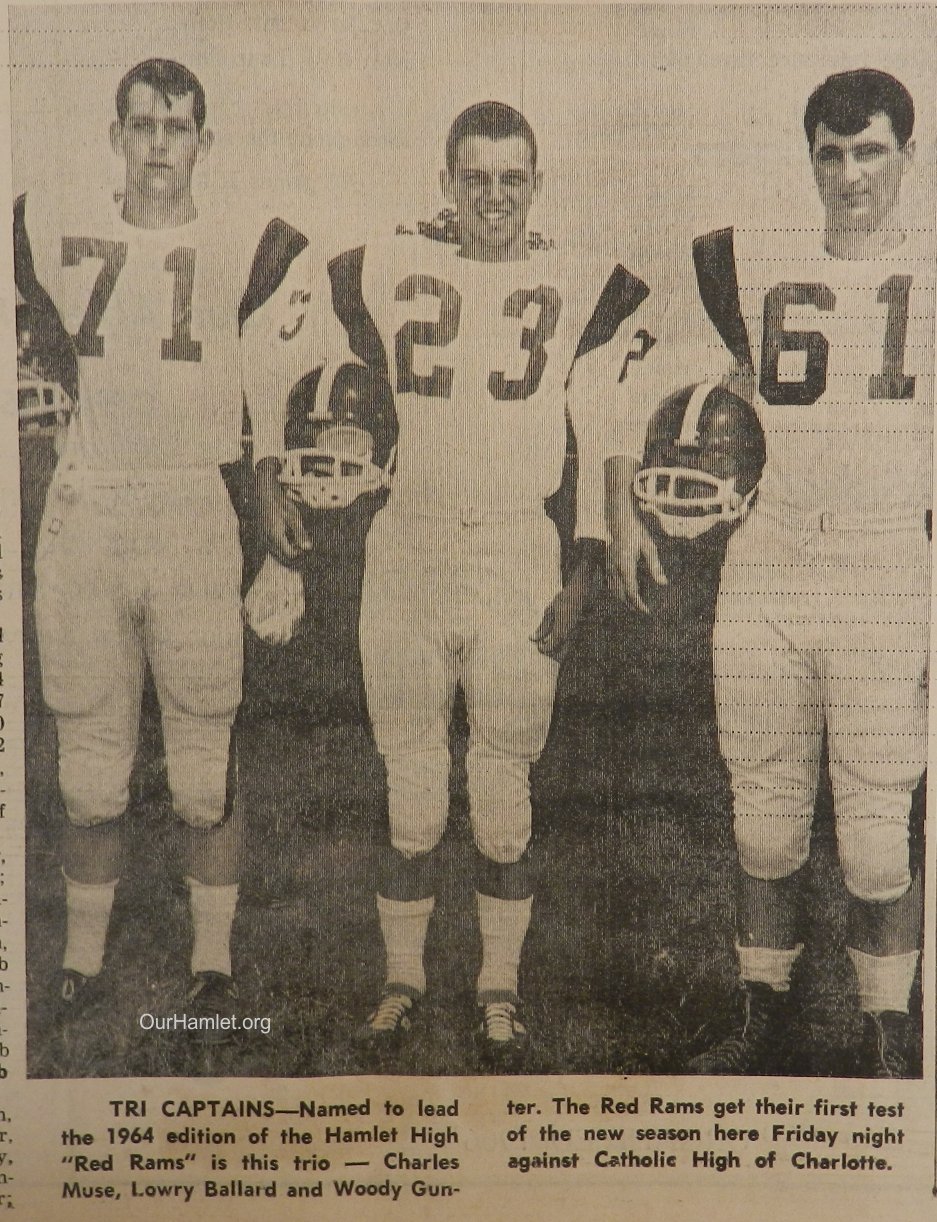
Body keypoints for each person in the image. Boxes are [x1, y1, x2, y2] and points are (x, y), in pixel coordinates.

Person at [251, 100, 659, 1065]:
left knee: (504, 801)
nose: (492, 197)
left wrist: (589, 553)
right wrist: (271, 473)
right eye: (472, 177)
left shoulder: (578, 279)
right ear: (444, 184)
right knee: (413, 793)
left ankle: (497, 988)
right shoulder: (382, 266)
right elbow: (282, 342)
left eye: (511, 177)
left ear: (536, 185)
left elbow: (605, 422)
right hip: (409, 548)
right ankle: (401, 981)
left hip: (517, 547)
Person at [610, 68, 931, 1077]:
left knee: (879, 835)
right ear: (809, 159)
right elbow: (619, 369)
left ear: (907, 157)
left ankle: (890, 1032)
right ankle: (764, 1019)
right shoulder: (745, 263)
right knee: (764, 811)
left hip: (883, 556)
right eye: (830, 154)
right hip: (773, 555)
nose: (848, 176)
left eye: (869, 151)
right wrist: (616, 506)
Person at [16, 57, 306, 1030]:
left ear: (203, 144)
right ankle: (83, 959)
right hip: (88, 505)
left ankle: (211, 964)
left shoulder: (245, 246)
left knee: (201, 760)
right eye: (141, 125)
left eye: (176, 127)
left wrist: (277, 534)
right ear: (115, 137)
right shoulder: (48, 233)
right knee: (89, 761)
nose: (156, 146)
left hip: (189, 504)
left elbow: (272, 397)